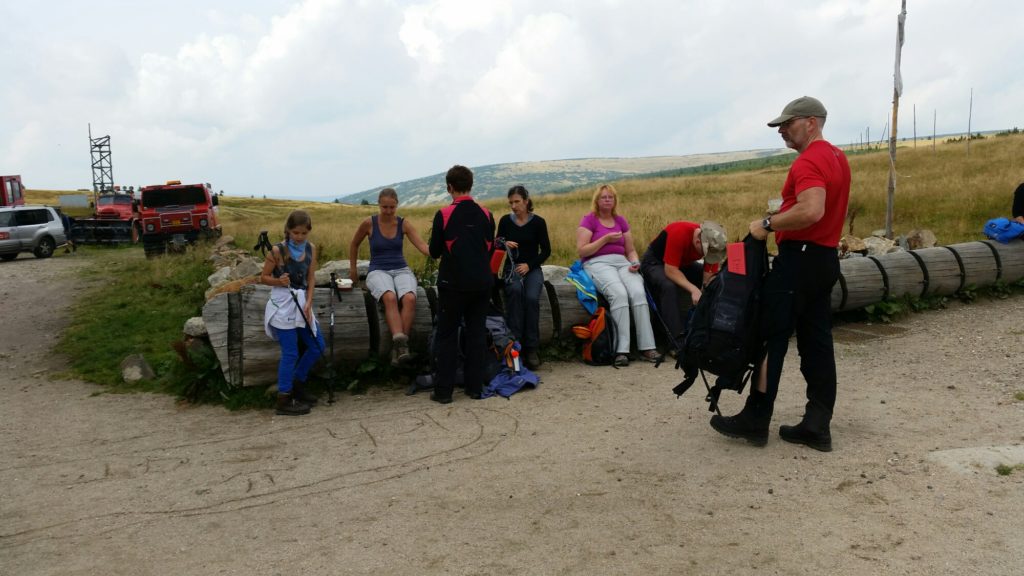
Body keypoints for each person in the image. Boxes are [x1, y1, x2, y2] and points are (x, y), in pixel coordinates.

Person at [710, 96, 850, 452]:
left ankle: (756, 419)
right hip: (824, 259)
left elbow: (811, 210)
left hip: (798, 260)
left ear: (811, 122)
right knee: (817, 342)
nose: (782, 130)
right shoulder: (837, 156)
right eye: (780, 126)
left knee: (770, 337)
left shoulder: (808, 161)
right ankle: (817, 424)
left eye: (788, 123)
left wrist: (766, 225)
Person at [428, 165, 496, 403]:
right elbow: (489, 246)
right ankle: (474, 387)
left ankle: (444, 392)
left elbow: (435, 251)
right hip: (481, 282)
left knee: (447, 336)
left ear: (449, 187)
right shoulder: (487, 214)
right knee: (477, 334)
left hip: (453, 283)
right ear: (471, 185)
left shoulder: (443, 214)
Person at [576, 184, 663, 367]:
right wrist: (605, 239)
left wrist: (634, 262)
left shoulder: (620, 221)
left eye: (610, 197)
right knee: (619, 294)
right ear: (597, 201)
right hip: (597, 262)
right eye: (603, 197)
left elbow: (630, 250)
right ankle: (620, 350)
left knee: (638, 292)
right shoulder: (589, 220)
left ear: (615, 201)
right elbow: (582, 250)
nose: (607, 200)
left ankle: (647, 347)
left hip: (621, 262)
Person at [349, 188, 430, 365]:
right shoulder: (368, 223)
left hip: (401, 268)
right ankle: (401, 348)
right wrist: (353, 269)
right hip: (378, 269)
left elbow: (423, 246)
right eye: (384, 207)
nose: (388, 211)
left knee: (409, 298)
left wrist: (439, 251)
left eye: (391, 207)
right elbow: (354, 244)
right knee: (390, 297)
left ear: (397, 205)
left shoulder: (404, 224)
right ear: (379, 205)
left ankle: (399, 348)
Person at [261, 210, 326, 416]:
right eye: (295, 232)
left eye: (303, 233)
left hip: (302, 302)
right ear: (288, 230)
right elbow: (263, 277)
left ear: (308, 232)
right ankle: (284, 398)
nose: (299, 237)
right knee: (290, 352)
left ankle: (297, 383)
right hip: (283, 304)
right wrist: (278, 281)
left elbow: (311, 277)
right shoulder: (277, 250)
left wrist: (309, 302)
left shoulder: (311, 248)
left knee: (317, 345)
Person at [640, 220, 727, 346]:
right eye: (704, 253)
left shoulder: (712, 242)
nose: (705, 257)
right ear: (698, 242)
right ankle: (676, 341)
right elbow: (670, 271)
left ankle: (711, 331)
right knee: (668, 286)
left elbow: (708, 275)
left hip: (681, 263)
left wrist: (704, 289)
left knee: (717, 283)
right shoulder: (679, 233)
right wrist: (693, 290)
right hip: (655, 262)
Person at [496, 185, 551, 370]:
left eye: (517, 201)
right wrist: (504, 244)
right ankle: (514, 345)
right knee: (514, 292)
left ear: (526, 201)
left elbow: (546, 250)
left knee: (531, 298)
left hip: (532, 267)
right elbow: (496, 243)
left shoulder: (538, 222)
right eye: (511, 202)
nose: (513, 206)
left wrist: (530, 265)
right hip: (512, 268)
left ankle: (531, 348)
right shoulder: (505, 221)